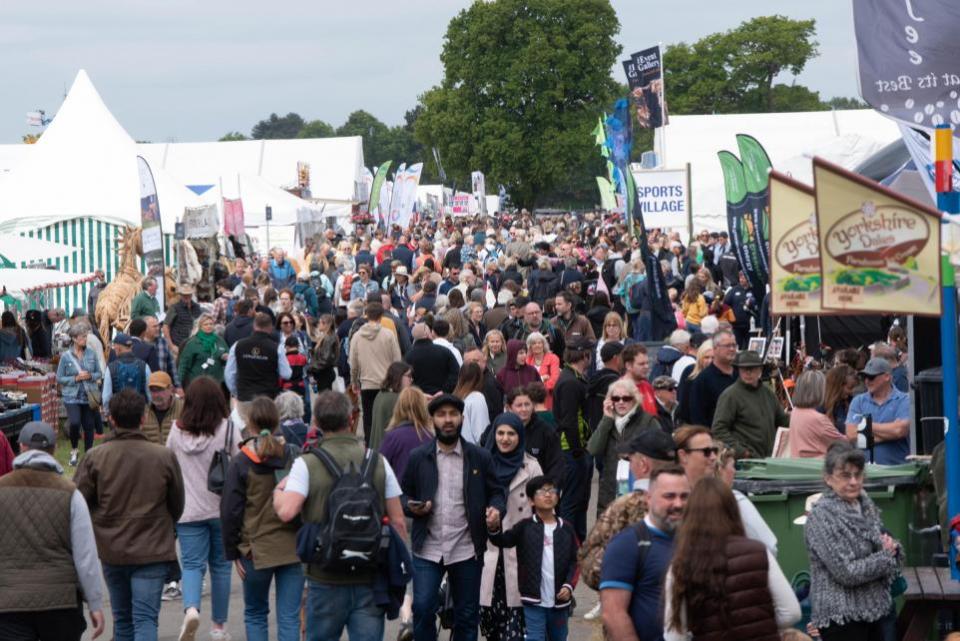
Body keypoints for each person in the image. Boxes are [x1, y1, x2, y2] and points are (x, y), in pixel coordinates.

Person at [273, 391, 407, 641]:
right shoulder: (377, 461)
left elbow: (287, 511)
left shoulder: (307, 464)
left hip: (325, 576)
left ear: (316, 423)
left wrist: (278, 491)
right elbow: (398, 521)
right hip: (369, 575)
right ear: (351, 418)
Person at [74, 390, 185, 641]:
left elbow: (78, 503)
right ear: (143, 418)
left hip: (112, 548)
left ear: (111, 419)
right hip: (153, 547)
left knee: (123, 620)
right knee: (145, 618)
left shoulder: (95, 457)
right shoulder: (163, 456)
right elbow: (177, 504)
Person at [401, 393, 507, 641]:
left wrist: (495, 510)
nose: (447, 420)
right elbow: (403, 494)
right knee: (423, 608)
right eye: (441, 415)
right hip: (428, 546)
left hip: (467, 547)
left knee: (467, 615)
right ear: (433, 420)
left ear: (461, 418)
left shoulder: (479, 456)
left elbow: (497, 493)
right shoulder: (419, 457)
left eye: (453, 414)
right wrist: (411, 506)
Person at [0, 421, 105, 641]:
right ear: (54, 449)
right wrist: (94, 602)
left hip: (9, 602)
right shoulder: (70, 493)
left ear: (20, 447)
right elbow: (85, 555)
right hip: (61, 602)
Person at [663, 477, 800, 641]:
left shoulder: (681, 564)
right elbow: (791, 612)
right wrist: (760, 624)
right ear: (732, 510)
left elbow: (674, 636)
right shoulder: (758, 552)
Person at [221, 397, 305, 641]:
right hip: (292, 547)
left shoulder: (241, 462)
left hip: (255, 550)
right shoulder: (292, 455)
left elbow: (230, 512)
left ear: (249, 423)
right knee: (289, 617)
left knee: (256, 613)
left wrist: (233, 552)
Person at [166, 377, 240, 641]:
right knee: (221, 568)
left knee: (192, 565)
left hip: (187, 511)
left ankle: (192, 609)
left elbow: (169, 466)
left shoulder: (176, 431)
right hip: (221, 509)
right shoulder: (226, 429)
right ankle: (218, 626)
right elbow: (241, 463)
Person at [805, 442, 901, 641]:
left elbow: (880, 547)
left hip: (876, 610)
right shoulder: (821, 517)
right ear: (828, 478)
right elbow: (846, 572)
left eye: (858, 474)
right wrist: (885, 556)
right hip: (842, 618)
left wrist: (892, 547)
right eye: (845, 475)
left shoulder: (865, 504)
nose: (854, 481)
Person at [600, 466, 690, 641]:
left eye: (684, 496)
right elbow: (613, 613)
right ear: (649, 499)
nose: (678, 504)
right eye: (669, 496)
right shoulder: (627, 544)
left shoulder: (698, 540)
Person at [487, 475, 578, 641]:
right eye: (542, 491)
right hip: (533, 599)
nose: (548, 494)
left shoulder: (567, 529)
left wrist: (569, 586)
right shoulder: (524, 527)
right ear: (531, 501)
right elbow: (502, 541)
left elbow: (576, 561)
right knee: (535, 638)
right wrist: (493, 528)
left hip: (559, 600)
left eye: (552, 490)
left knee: (559, 637)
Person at [479, 413, 544, 641]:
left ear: (520, 436)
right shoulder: (482, 464)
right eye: (500, 433)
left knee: (515, 630)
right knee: (491, 629)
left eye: (511, 434)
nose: (505, 439)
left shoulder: (532, 467)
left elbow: (543, 512)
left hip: (519, 556)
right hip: (488, 555)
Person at [588, 379, 657, 514]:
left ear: (635, 399)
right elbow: (593, 449)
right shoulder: (608, 422)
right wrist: (606, 419)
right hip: (610, 491)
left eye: (626, 398)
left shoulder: (648, 421)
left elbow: (660, 455)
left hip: (639, 491)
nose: (621, 402)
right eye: (616, 398)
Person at [712, 350, 790, 459]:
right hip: (745, 463)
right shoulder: (730, 395)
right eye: (744, 369)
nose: (748, 372)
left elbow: (783, 421)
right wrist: (742, 452)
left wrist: (800, 420)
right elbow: (718, 430)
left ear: (760, 370)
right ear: (738, 370)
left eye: (752, 368)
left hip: (769, 459)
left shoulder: (768, 393)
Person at [553, 337, 592, 542]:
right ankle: (568, 545)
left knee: (578, 501)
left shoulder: (573, 377)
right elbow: (569, 420)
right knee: (570, 502)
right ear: (585, 355)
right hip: (571, 450)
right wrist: (578, 450)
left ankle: (577, 543)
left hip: (574, 449)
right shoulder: (570, 382)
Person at [844, 357, 911, 465]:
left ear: (887, 377)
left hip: (897, 471)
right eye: (864, 377)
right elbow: (851, 434)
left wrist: (865, 425)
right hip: (864, 473)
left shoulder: (904, 400)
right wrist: (890, 432)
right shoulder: (858, 401)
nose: (866, 381)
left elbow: (900, 430)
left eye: (871, 377)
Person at [715, 447, 778, 554]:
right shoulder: (735, 500)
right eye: (732, 466)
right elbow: (769, 545)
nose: (735, 471)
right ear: (720, 469)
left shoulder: (697, 498)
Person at [57, 322, 103, 467]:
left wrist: (89, 375)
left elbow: (99, 373)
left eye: (85, 336)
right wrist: (75, 378)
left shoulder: (91, 353)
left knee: (89, 425)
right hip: (71, 396)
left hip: (88, 394)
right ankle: (74, 450)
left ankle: (88, 454)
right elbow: (59, 378)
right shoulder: (66, 357)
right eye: (83, 337)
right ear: (75, 338)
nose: (85, 339)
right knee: (75, 422)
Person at [225, 312, 292, 402]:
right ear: (271, 328)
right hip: (268, 399)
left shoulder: (237, 345)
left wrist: (236, 392)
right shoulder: (277, 348)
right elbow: (286, 374)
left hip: (245, 397)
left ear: (254, 326)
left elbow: (229, 374)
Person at [380, 386, 435, 480]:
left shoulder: (392, 437)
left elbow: (379, 469)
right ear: (423, 407)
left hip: (399, 492)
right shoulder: (431, 436)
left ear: (399, 407)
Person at [789, 370, 846, 458]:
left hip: (798, 464)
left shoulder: (795, 412)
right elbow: (843, 443)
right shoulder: (818, 419)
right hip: (816, 468)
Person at [687, 330, 738, 427]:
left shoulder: (739, 374)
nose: (732, 349)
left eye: (734, 345)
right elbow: (698, 417)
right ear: (715, 348)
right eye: (727, 346)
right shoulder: (703, 380)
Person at [369, 361, 414, 451]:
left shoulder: (381, 394)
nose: (411, 379)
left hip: (377, 449)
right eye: (408, 376)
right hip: (388, 451)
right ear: (398, 376)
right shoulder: (396, 399)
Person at [405, 322, 460, 395]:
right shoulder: (444, 351)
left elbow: (406, 377)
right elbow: (456, 373)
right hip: (442, 397)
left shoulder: (409, 356)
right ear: (428, 334)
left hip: (419, 397)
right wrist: (445, 390)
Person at [177, 314, 229, 388]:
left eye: (211, 324)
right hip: (198, 383)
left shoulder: (219, 340)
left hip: (217, 382)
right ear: (200, 326)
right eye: (206, 324)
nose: (209, 326)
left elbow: (227, 355)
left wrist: (225, 357)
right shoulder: (193, 343)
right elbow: (183, 364)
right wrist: (179, 385)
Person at [103, 332, 151, 407]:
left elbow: (106, 397)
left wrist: (107, 413)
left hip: (118, 413)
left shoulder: (111, 368)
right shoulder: (144, 366)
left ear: (118, 348)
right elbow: (149, 392)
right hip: (139, 412)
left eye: (114, 347)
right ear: (131, 347)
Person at [675, 339, 712, 425]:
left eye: (713, 357)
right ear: (700, 358)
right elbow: (683, 402)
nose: (710, 361)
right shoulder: (690, 372)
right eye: (706, 357)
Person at [141, 371, 183, 446]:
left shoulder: (183, 409)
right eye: (152, 390)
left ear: (171, 389)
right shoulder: (144, 412)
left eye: (160, 390)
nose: (156, 395)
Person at [455, 362, 491, 445]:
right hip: (473, 452)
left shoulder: (456, 397)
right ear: (480, 378)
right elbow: (481, 432)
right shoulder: (477, 398)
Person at [527, 332, 561, 410]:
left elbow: (554, 380)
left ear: (543, 344)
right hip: (531, 401)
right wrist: (542, 378)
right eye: (534, 343)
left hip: (549, 399)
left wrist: (536, 390)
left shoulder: (553, 358)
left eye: (539, 343)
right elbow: (526, 381)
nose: (537, 345)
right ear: (530, 347)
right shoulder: (527, 360)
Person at [164, 284, 203, 353]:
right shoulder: (174, 308)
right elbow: (165, 327)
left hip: (194, 344)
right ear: (181, 295)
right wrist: (171, 346)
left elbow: (201, 324)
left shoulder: (197, 307)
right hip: (178, 345)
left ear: (191, 295)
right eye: (184, 295)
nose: (186, 296)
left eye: (188, 294)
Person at [622, 343, 657, 416]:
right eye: (641, 364)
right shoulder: (619, 390)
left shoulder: (647, 386)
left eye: (647, 363)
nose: (646, 367)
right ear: (628, 365)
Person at [309, 313, 340, 392]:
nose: (319, 324)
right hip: (323, 372)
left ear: (326, 324)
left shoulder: (329, 338)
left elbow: (326, 358)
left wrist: (312, 368)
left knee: (325, 398)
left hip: (324, 373)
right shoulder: (326, 336)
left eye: (320, 322)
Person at [825, 364, 858, 435]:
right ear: (838, 386)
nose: (851, 392)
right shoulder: (822, 406)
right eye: (850, 388)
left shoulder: (851, 401)